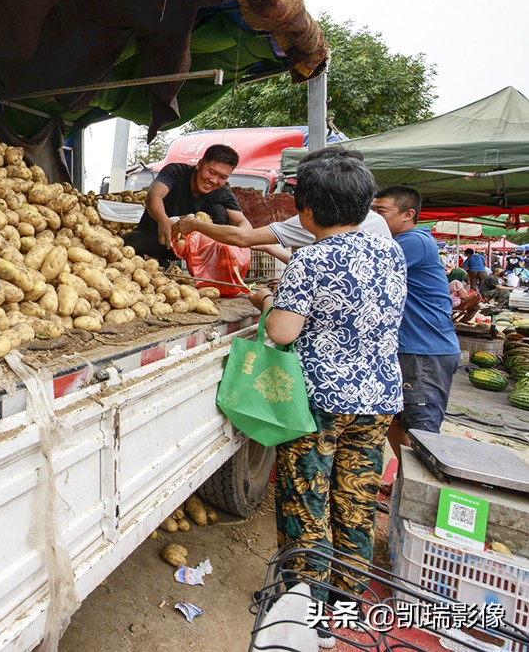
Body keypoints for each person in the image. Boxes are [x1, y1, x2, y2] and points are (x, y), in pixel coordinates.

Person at [248, 148, 406, 648]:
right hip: (378, 396)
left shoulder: (312, 259)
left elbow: (282, 330)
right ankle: (345, 596)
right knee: (356, 494)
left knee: (306, 497)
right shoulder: (390, 253)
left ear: (306, 210)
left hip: (322, 401)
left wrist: (267, 301)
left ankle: (300, 600)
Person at [370, 186, 460, 462]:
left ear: (408, 214)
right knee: (396, 422)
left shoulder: (412, 242)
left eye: (381, 211)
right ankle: (404, 483)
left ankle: (423, 499)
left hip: (424, 353)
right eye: (372, 211)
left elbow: (354, 271)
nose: (374, 217)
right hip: (411, 349)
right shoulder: (405, 241)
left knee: (423, 432)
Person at [174, 160, 393, 263]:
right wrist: (269, 248)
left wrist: (195, 225)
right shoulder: (390, 248)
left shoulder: (310, 252)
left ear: (308, 207)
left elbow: (243, 236)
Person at [122, 144, 252, 262]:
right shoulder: (176, 172)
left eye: (222, 177)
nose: (213, 180)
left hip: (192, 252)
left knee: (218, 209)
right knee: (125, 244)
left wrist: (231, 236)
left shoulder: (222, 193)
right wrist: (163, 221)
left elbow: (244, 224)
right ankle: (158, 261)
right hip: (155, 237)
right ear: (199, 164)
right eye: (211, 172)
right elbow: (154, 196)